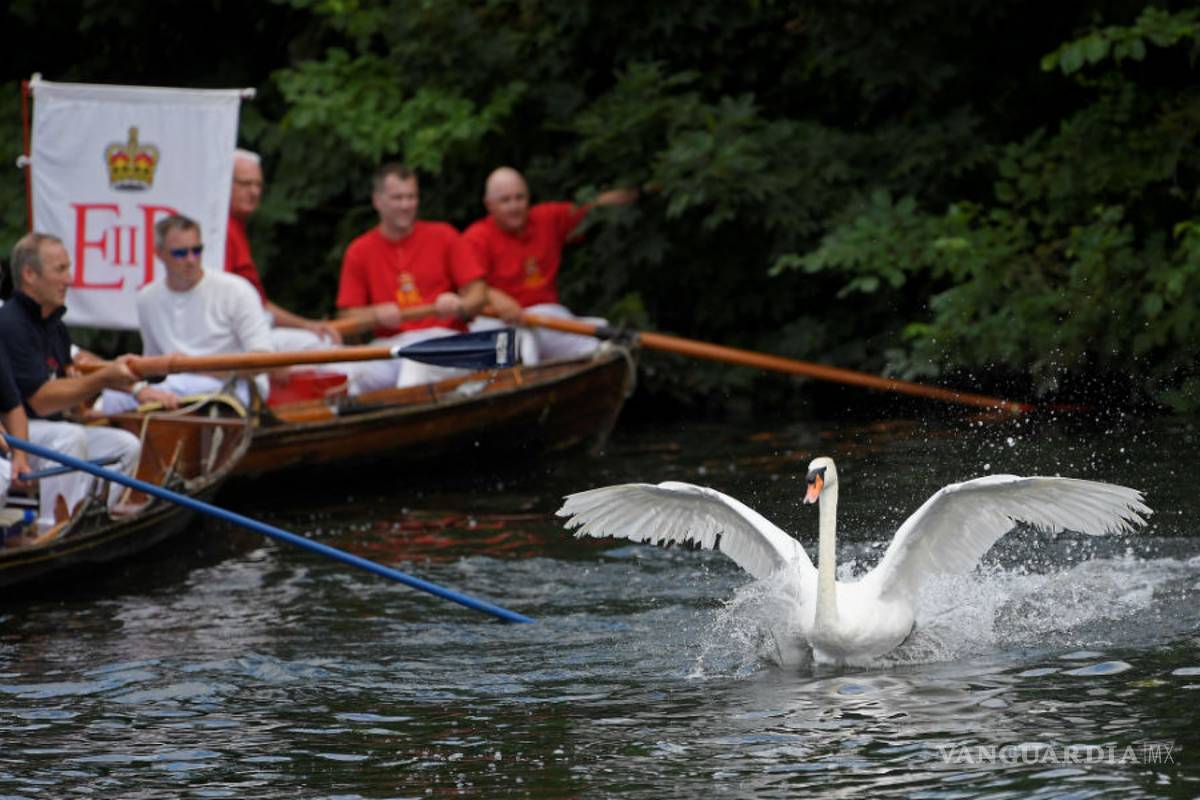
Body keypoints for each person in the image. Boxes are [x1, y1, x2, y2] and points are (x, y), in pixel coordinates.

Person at [0, 233, 142, 531]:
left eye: (68, 268)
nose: (69, 279)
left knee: (124, 446)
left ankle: (93, 518)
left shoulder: (55, 326)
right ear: (29, 275)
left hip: (47, 431)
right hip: (19, 435)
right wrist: (103, 377)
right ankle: (52, 528)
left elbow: (66, 394)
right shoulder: (10, 324)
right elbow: (39, 399)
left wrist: (89, 398)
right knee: (69, 438)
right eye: (60, 270)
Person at [100, 214, 274, 414]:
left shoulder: (237, 290)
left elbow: (263, 359)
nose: (191, 260)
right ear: (159, 254)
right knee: (112, 396)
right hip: (174, 385)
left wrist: (197, 369)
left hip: (235, 387)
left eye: (197, 250)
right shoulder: (147, 298)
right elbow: (152, 364)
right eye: (180, 253)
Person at [336, 163, 487, 391]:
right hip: (389, 346)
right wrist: (375, 314)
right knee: (346, 374)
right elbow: (347, 317)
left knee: (415, 364)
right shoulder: (359, 250)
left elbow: (479, 293)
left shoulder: (444, 235)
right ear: (378, 201)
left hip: (443, 340)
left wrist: (460, 304)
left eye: (411, 197)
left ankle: (401, 425)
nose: (406, 205)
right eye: (398, 198)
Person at [463, 166, 637, 364]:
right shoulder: (476, 238)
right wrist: (493, 296)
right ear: (489, 205)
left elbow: (592, 209)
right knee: (524, 342)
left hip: (546, 316)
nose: (514, 206)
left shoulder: (546, 218)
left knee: (600, 332)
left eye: (519, 198)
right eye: (505, 200)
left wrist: (640, 190)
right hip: (501, 324)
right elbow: (465, 286)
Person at [226, 149, 342, 349]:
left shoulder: (236, 228)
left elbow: (259, 304)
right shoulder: (220, 231)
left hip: (255, 331)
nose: (254, 192)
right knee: (328, 348)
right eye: (245, 184)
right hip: (237, 340)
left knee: (326, 343)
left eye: (258, 185)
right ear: (224, 183)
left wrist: (307, 325)